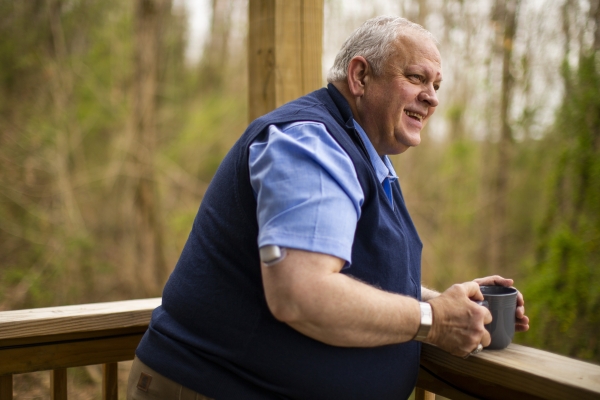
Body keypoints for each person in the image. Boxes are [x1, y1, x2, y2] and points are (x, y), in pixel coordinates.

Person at [127, 16, 529, 400]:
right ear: (360, 76)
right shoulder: (311, 145)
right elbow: (301, 293)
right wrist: (433, 321)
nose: (432, 97)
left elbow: (352, 273)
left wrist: (451, 305)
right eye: (416, 77)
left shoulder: (362, 155)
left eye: (437, 85)